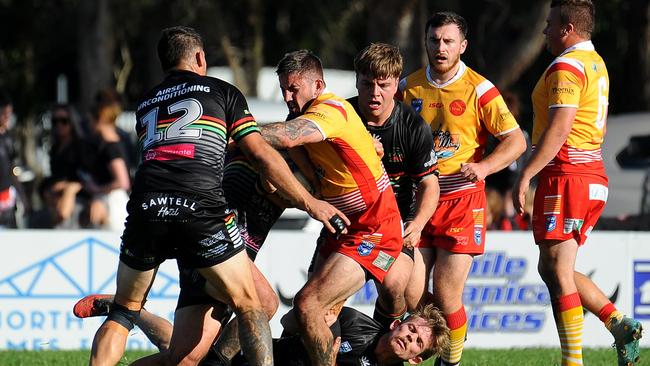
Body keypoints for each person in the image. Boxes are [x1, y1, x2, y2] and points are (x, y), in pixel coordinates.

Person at [88, 26, 346, 366]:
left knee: (125, 314)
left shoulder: (146, 103)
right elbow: (261, 155)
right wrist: (312, 204)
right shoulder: (221, 91)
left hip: (146, 207)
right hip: (200, 210)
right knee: (253, 305)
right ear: (199, 57)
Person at [512, 1, 642, 365]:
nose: (544, 31)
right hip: (589, 174)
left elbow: (560, 127)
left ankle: (573, 361)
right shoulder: (595, 62)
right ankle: (617, 322)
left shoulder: (568, 65)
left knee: (555, 270)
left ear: (567, 28)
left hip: (568, 174)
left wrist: (526, 172)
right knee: (554, 268)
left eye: (550, 23)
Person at [258, 49, 407, 366]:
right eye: (283, 88)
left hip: (376, 228)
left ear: (317, 84)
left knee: (309, 304)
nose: (287, 96)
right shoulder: (302, 115)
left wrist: (235, 131)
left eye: (293, 89)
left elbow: (286, 137)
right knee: (311, 318)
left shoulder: (330, 110)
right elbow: (311, 178)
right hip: (340, 226)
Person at [399, 12, 527, 366]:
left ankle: (451, 361)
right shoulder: (407, 88)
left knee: (446, 290)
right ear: (425, 42)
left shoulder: (479, 89)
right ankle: (451, 328)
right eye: (434, 40)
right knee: (411, 292)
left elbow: (515, 141)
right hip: (420, 199)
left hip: (462, 200)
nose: (440, 48)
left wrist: (484, 166)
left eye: (448, 41)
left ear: (463, 45)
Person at [75, 294, 449, 366]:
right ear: (400, 322)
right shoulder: (352, 322)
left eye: (417, 342)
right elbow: (288, 322)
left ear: (416, 360)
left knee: (179, 349)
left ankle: (125, 308)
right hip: (254, 353)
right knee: (183, 353)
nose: (409, 338)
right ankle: (124, 307)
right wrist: (312, 331)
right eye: (412, 329)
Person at [348, 43, 440, 323]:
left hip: (395, 222)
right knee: (315, 302)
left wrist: (419, 223)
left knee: (397, 289)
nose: (375, 93)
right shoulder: (343, 116)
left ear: (395, 83)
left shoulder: (412, 126)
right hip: (350, 221)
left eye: (383, 85)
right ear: (357, 81)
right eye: (367, 84)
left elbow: (429, 184)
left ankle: (384, 348)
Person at [78, 89, 131, 231]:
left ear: (99, 119)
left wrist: (97, 189)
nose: (89, 125)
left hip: (113, 205)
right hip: (109, 203)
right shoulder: (109, 144)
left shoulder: (111, 147)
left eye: (91, 120)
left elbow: (122, 181)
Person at [40, 104, 85, 228]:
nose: (59, 125)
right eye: (55, 121)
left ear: (72, 122)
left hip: (76, 196)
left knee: (63, 215)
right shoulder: (55, 148)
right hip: (55, 197)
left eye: (64, 121)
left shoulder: (80, 146)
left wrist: (67, 186)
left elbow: (86, 175)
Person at [0, 91, 29, 228]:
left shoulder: (8, 138)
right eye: (4, 114)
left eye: (8, 114)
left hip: (6, 199)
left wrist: (22, 196)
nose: (7, 118)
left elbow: (13, 168)